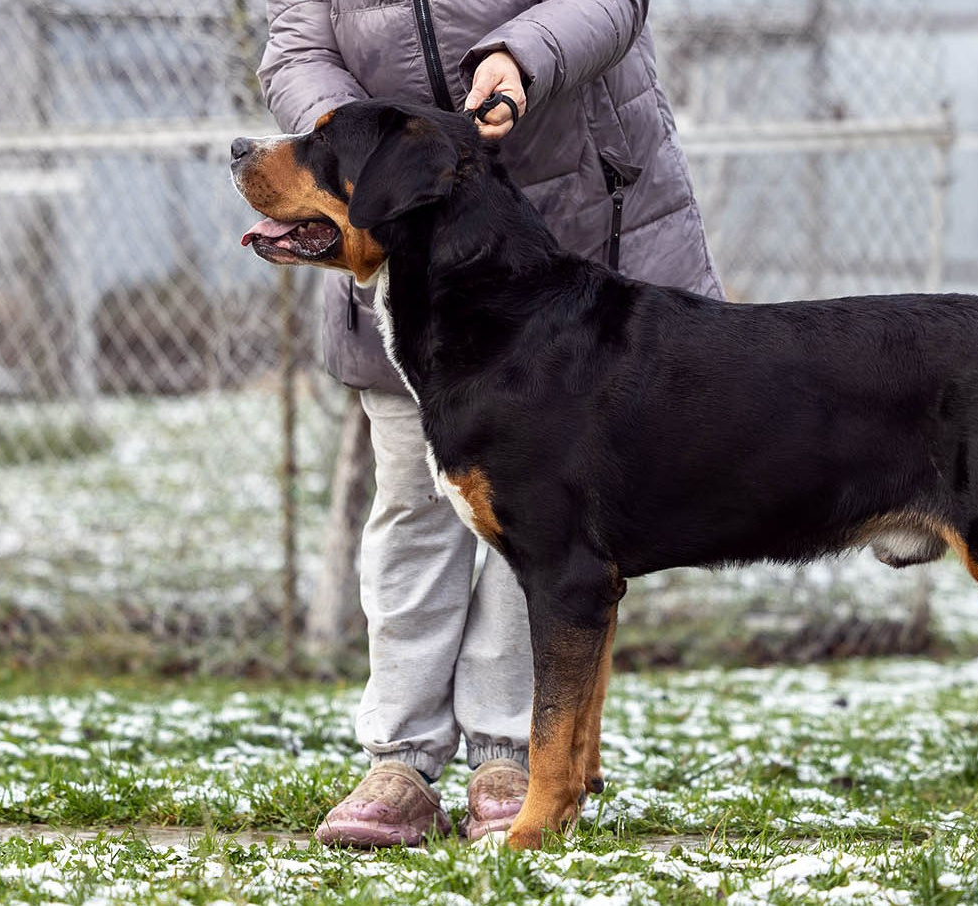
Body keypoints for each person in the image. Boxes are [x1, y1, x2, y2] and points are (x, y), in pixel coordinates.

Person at [257, 1, 725, 846]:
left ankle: (513, 758)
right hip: (388, 205)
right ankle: (399, 762)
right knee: (409, 505)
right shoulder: (364, 164)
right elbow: (295, 43)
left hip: (559, 218)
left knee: (547, 530)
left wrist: (516, 58)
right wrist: (350, 136)